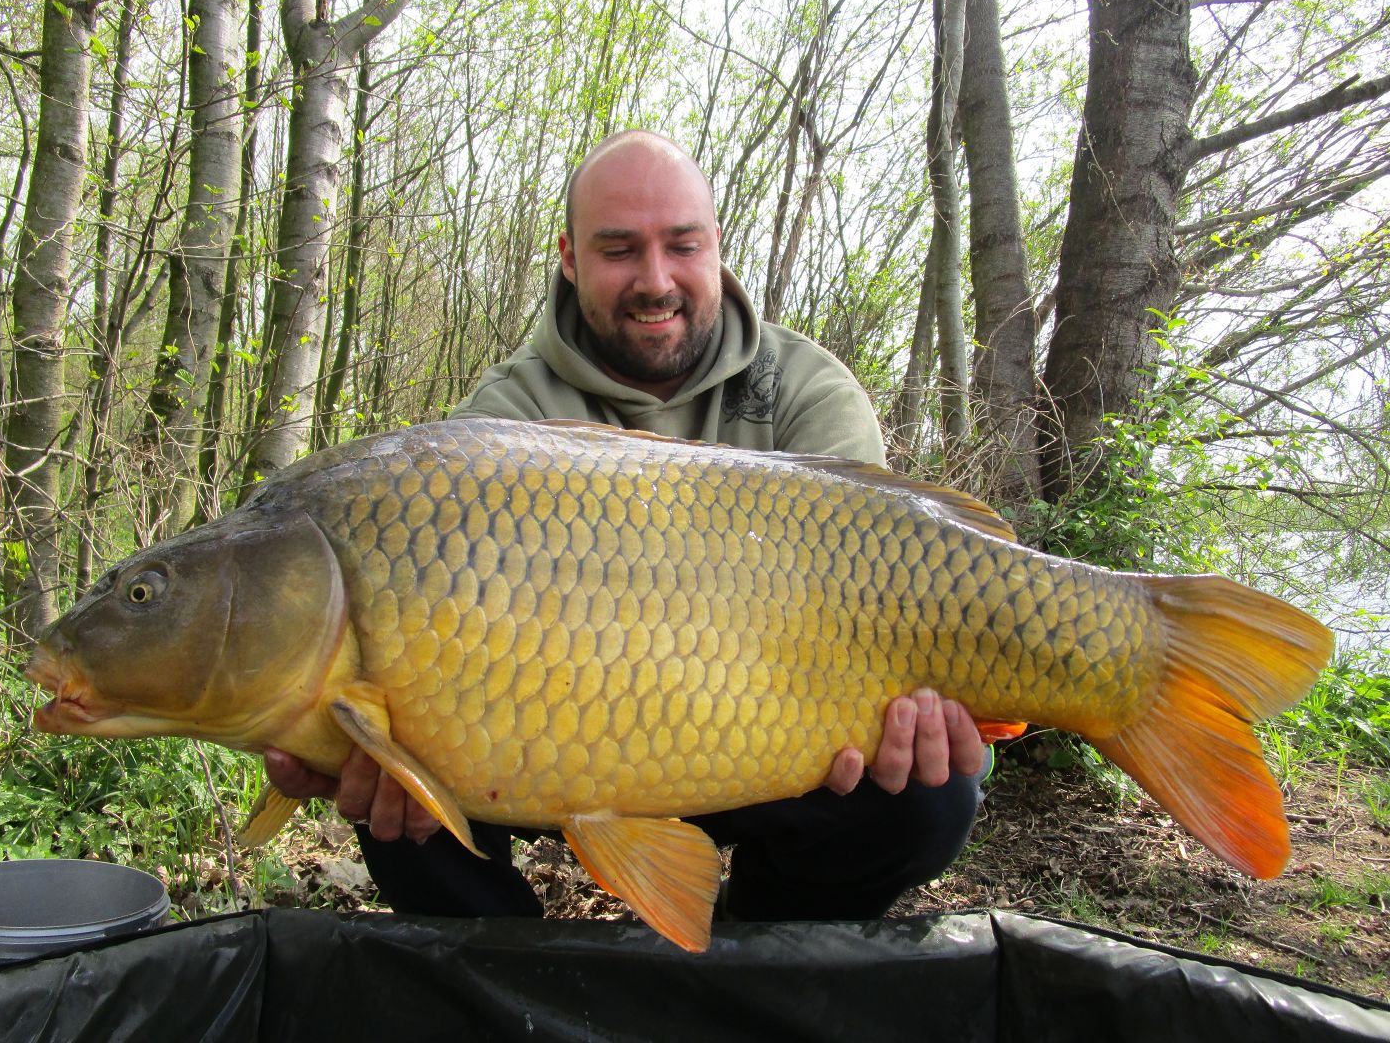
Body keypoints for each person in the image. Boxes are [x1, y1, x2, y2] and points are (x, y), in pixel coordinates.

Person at [266, 130, 988, 925]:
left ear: (716, 246)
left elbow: (883, 591)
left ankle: (760, 952)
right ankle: (526, 991)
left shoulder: (808, 391)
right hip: (553, 743)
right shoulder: (505, 419)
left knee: (931, 794)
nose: (655, 280)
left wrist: (922, 711)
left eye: (682, 245)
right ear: (570, 259)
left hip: (772, 739)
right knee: (392, 785)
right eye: (618, 251)